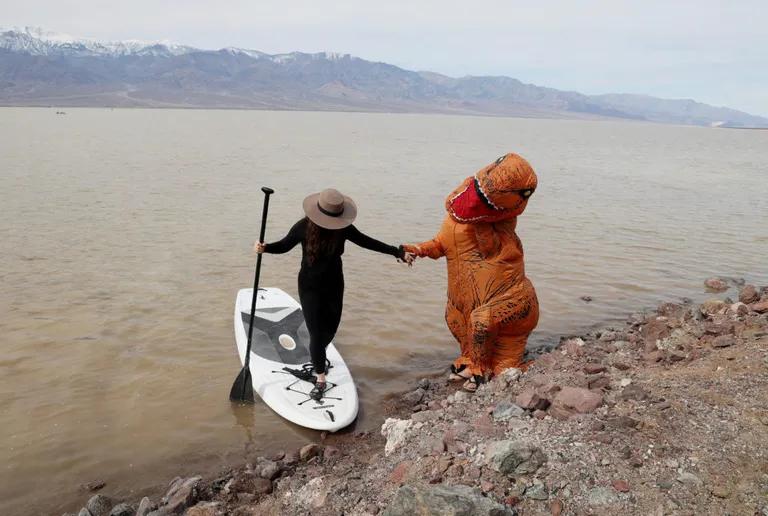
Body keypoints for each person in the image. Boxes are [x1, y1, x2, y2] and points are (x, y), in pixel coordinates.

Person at [255, 188, 414, 400]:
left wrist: (397, 252)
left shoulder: (344, 229)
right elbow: (284, 245)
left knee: (330, 329)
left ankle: (318, 354)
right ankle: (320, 377)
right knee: (317, 334)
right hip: (309, 287)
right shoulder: (303, 227)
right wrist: (265, 248)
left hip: (334, 285)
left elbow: (368, 241)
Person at [404, 152, 539, 392]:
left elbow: (490, 250)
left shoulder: (500, 224)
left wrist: (481, 224)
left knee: (482, 322)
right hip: (467, 300)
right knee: (454, 316)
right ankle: (470, 358)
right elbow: (440, 244)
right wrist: (417, 249)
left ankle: (480, 369)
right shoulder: (453, 219)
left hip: (511, 300)